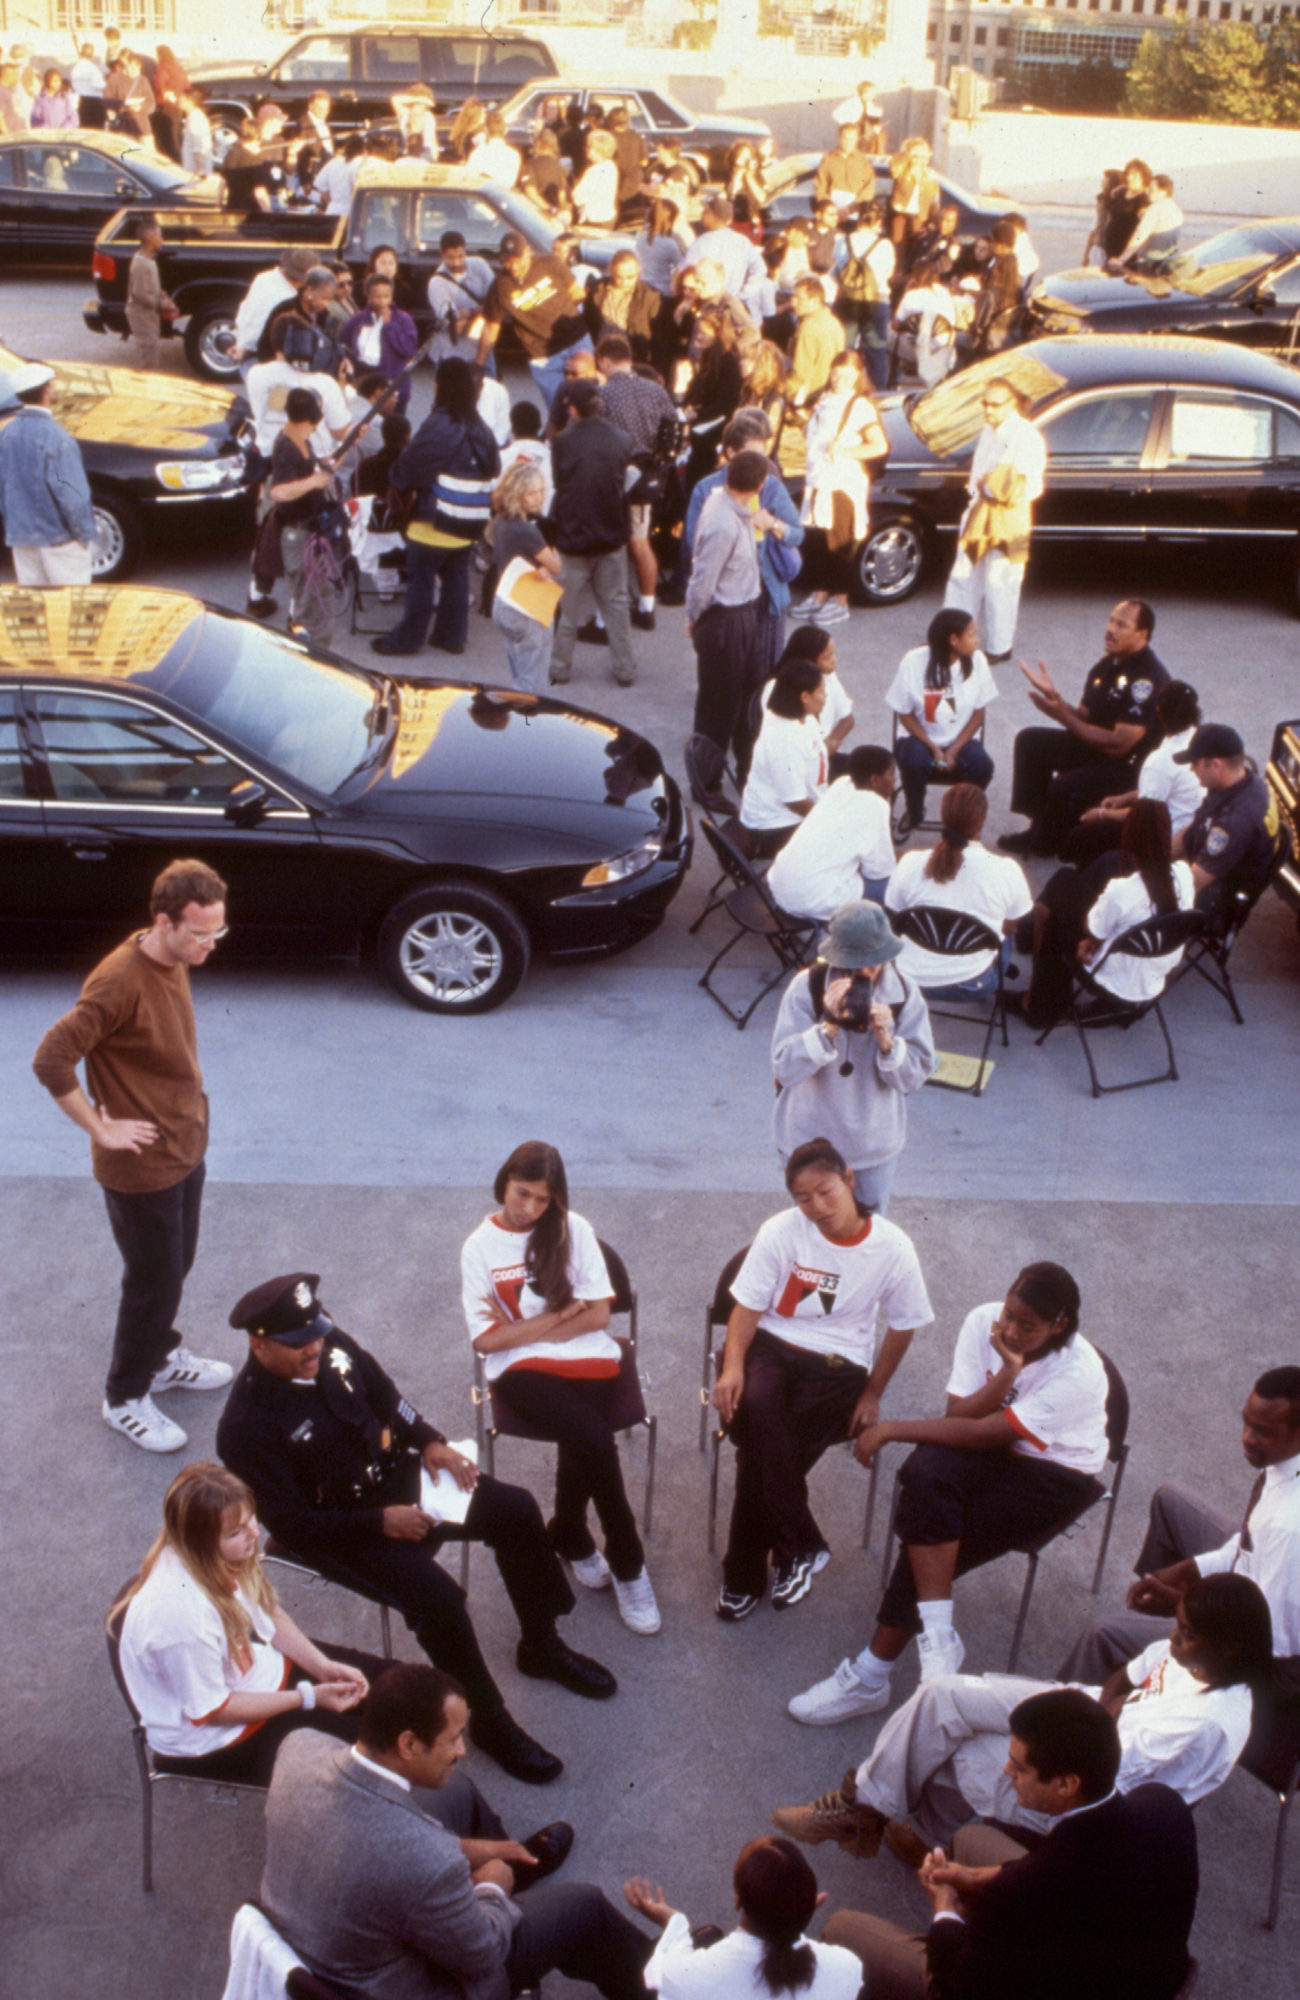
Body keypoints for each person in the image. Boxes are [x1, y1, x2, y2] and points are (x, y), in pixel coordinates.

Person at [216, 1272, 619, 1785]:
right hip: (342, 1531)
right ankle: (488, 1720)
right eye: (299, 1343)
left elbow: (384, 1393)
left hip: (394, 1478)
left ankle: (541, 1645)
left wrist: (429, 1440)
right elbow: (291, 1525)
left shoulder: (325, 1341)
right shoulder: (245, 1426)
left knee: (515, 1509)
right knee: (439, 1600)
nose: (316, 1346)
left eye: (316, 1333)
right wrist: (379, 1522)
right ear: (259, 1345)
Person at [787, 1262, 1108, 1720]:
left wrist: (892, 1429)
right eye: (1010, 1315)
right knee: (926, 1476)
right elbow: (959, 1416)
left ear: (1060, 1326)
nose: (1011, 1331)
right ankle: (936, 1646)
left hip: (1052, 1474)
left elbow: (983, 1435)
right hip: (998, 1446)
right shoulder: (984, 1322)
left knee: (929, 1533)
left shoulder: (1077, 1373)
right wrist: (1006, 1374)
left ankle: (871, 1674)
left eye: (1028, 1327)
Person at [775, 1572, 1268, 1857]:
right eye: (1177, 1626)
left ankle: (912, 1832)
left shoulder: (1208, 1724)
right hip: (1082, 1717)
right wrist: (1101, 1708)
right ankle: (866, 1810)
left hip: (1086, 1787)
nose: (1173, 1637)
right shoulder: (1193, 1653)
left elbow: (1107, 1773)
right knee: (943, 1697)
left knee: (961, 1749)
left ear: (1227, 1647)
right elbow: (1123, 1676)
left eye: (1186, 1633)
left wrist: (1092, 1719)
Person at [262, 1664, 656, 2000]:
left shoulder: (299, 1747)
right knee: (583, 1907)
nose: (463, 1749)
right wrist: (492, 1890)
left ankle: (513, 1865)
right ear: (409, 1744)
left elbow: (408, 1851)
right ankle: (668, 1985)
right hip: (406, 1987)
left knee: (455, 1788)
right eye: (453, 1739)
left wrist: (457, 1859)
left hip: (328, 1932)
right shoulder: (427, 1862)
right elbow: (481, 1954)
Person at [31, 858, 231, 1451]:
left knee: (175, 1268)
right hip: (141, 1167)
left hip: (182, 1146)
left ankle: (162, 1358)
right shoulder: (119, 979)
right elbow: (51, 1058)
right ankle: (123, 1397)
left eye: (218, 932)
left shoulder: (173, 956)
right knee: (152, 1282)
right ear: (163, 922)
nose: (210, 946)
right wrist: (100, 1127)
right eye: (199, 934)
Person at [821, 1689, 1198, 2000]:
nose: (1006, 1772)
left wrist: (945, 1909)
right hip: (1145, 1978)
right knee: (971, 1839)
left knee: (841, 1929)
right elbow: (1068, 1873)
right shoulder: (1163, 1804)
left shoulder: (1023, 1893)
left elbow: (961, 1985)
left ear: (1067, 1784)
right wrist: (985, 1878)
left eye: (1020, 1768)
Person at [711, 1136, 932, 1622]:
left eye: (827, 1192)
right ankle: (801, 1545)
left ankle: (744, 1573)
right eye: (803, 1198)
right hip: (772, 1344)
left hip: (838, 1360)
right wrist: (731, 1366)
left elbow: (905, 1323)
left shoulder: (893, 1248)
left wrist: (873, 1392)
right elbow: (747, 1306)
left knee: (760, 1448)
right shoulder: (781, 1231)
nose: (817, 1207)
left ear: (850, 1180)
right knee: (760, 1413)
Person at [462, 1141, 660, 1635]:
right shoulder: (478, 1247)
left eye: (541, 1199)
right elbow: (488, 1340)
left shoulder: (574, 1230)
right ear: (504, 1180)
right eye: (521, 1192)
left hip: (586, 1356)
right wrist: (559, 1315)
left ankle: (569, 1532)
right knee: (592, 1437)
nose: (528, 1207)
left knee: (584, 1434)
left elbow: (598, 1314)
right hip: (519, 1367)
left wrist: (538, 1325)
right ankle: (628, 1558)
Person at [113, 1462, 388, 1781]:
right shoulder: (181, 1619)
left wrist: (322, 1667)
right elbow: (213, 1711)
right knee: (381, 1753)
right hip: (216, 1738)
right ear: (200, 1542)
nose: (255, 1533)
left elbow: (265, 1608)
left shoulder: (216, 1557)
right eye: (236, 1532)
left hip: (255, 1679)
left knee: (405, 1693)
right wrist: (309, 1697)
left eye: (250, 1519)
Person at [1059, 1366, 1300, 1697]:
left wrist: (1185, 1607)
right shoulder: (1286, 1469)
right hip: (1254, 1569)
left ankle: (1059, 1729)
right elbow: (1249, 1541)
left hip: (1257, 1650)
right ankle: (1153, 1652)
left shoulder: (1289, 1530)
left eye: (1264, 1432)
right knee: (1170, 1502)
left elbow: (1263, 1642)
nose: (1247, 1438)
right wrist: (1189, 1570)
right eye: (1246, 1422)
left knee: (1104, 1632)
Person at [772, 900, 935, 1213]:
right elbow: (785, 1068)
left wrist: (887, 1040)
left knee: (868, 1234)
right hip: (810, 1143)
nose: (863, 971)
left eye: (872, 962)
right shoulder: (807, 987)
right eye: (852, 962)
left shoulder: (905, 994)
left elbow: (913, 1077)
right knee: (811, 1229)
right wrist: (828, 1026)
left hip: (871, 1147)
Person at [998, 599, 1170, 858]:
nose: (1111, 629)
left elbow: (1118, 744)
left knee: (1064, 785)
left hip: (1127, 768)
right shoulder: (1106, 666)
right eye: (1111, 620)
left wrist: (1064, 717)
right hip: (1097, 748)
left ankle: (1046, 842)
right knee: (1030, 742)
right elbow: (1084, 717)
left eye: (1121, 625)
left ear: (1142, 634)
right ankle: (1040, 823)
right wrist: (1057, 701)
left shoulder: (1146, 680)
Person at [372, 355, 500, 660]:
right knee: (456, 575)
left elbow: (408, 468)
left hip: (434, 518)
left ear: (441, 385)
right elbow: (493, 466)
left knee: (421, 578)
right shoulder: (480, 427)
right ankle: (452, 637)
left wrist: (396, 480)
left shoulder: (440, 422)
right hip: (470, 520)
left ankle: (407, 640)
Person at [625, 1836, 863, 1999]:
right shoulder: (846, 1967)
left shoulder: (685, 1975)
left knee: (708, 1936)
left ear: (738, 1900)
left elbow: (658, 1971)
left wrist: (674, 1921)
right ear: (812, 1904)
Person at [886, 786, 1031, 999]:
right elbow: (1009, 928)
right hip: (973, 984)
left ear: (943, 818)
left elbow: (896, 916)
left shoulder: (910, 862)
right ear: (981, 823)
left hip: (908, 977)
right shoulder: (1006, 869)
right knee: (1005, 933)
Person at [943, 377, 1046, 665]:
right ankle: (951, 634)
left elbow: (1026, 486)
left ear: (1013, 403)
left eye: (994, 404)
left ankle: (1000, 647)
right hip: (979, 511)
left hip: (1009, 516)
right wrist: (984, 489)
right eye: (984, 403)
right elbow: (979, 478)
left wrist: (994, 486)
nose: (987, 410)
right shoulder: (989, 430)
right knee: (963, 574)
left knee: (1001, 582)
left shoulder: (1026, 437)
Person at [549, 377, 638, 688]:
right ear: (599, 405)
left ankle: (559, 669)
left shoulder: (561, 442)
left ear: (571, 408)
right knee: (616, 604)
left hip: (573, 536)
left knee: (567, 611)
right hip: (611, 534)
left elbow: (560, 485)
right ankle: (624, 669)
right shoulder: (622, 439)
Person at [1061, 678, 1203, 867]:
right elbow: (1168, 786)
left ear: (1159, 712)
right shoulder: (1198, 738)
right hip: (1188, 826)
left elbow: (1144, 817)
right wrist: (1126, 797)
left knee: (1082, 835)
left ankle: (1091, 874)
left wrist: (1102, 814)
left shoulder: (1160, 760)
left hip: (1165, 838)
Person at [686, 447, 766, 774]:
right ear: (760, 485)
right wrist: (694, 618)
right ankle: (706, 783)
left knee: (748, 703)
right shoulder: (722, 522)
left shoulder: (730, 502)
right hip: (724, 621)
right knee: (718, 709)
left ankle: (748, 772)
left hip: (743, 614)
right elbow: (702, 580)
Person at [795, 350, 885, 626]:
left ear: (858, 375)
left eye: (847, 375)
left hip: (842, 484)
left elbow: (879, 445)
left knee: (840, 543)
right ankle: (820, 594)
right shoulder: (823, 400)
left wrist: (845, 449)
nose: (839, 380)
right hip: (818, 481)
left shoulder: (860, 406)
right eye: (836, 374)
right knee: (819, 542)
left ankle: (841, 601)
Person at [887, 608, 998, 831]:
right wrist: (934, 748)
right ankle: (916, 811)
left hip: (961, 740)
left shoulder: (977, 661)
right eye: (972, 634)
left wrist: (954, 750)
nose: (978, 640)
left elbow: (978, 714)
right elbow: (904, 714)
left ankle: (961, 820)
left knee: (982, 766)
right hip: (918, 737)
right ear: (954, 640)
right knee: (914, 762)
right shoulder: (913, 661)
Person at [594, 333, 677, 626]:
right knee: (640, 543)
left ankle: (604, 620)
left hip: (612, 478)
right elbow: (674, 427)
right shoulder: (655, 391)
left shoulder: (602, 395)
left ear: (604, 360)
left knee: (609, 548)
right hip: (646, 478)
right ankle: (646, 607)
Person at [770, 745, 897, 920]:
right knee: (897, 884)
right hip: (813, 900)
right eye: (891, 774)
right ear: (875, 780)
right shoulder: (877, 805)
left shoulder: (842, 783)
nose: (894, 779)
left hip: (780, 886)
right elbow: (878, 871)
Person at [0, 359, 97, 584]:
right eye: (52, 385)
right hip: (59, 542)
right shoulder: (58, 439)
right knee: (70, 611)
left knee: (39, 613)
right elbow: (75, 498)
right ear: (45, 391)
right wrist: (84, 536)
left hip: (22, 540)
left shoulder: (5, 436)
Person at [250, 384, 334, 638]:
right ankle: (314, 655)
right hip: (297, 535)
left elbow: (311, 471)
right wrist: (313, 482)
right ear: (306, 420)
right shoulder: (287, 447)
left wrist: (325, 466)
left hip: (308, 528)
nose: (314, 429)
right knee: (311, 603)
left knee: (313, 596)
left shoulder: (298, 437)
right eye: (313, 424)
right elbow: (279, 491)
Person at [477, 232, 591, 411]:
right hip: (543, 355)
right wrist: (478, 364)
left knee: (589, 402)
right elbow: (491, 327)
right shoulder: (500, 286)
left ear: (528, 251)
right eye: (507, 261)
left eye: (517, 259)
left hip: (576, 342)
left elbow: (577, 293)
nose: (513, 266)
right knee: (559, 409)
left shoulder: (550, 263)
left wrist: (557, 310)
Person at [1173, 721, 1280, 906]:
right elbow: (1196, 826)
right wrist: (1156, 857)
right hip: (1208, 867)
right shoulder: (1242, 780)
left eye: (1195, 763)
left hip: (1213, 899)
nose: (1191, 768)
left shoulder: (1234, 823)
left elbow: (1191, 885)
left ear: (1216, 765)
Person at [741, 659, 829, 859]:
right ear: (805, 696)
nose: (826, 697)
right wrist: (828, 818)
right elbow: (794, 800)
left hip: (793, 809)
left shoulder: (797, 715)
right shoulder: (784, 742)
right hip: (776, 826)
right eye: (822, 691)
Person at [489, 462, 561, 695]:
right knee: (532, 685)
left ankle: (518, 721)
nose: (538, 497)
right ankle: (528, 727)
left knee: (518, 673)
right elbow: (556, 565)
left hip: (504, 605)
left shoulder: (500, 521)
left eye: (540, 490)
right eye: (531, 492)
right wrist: (552, 548)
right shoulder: (527, 531)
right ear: (517, 494)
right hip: (528, 609)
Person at [839, 199, 895, 391]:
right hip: (876, 301)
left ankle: (844, 392)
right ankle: (877, 397)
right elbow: (888, 274)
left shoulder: (843, 241)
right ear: (879, 221)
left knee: (845, 351)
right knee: (877, 354)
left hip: (848, 301)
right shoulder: (885, 245)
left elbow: (837, 271)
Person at [340, 273, 418, 411]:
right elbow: (344, 346)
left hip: (394, 387)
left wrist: (389, 327)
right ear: (368, 297)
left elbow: (409, 349)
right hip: (366, 388)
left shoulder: (403, 319)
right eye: (377, 297)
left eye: (386, 296)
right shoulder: (358, 320)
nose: (382, 301)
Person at [678, 194, 767, 311]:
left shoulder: (701, 242)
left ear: (714, 216)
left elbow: (687, 274)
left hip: (708, 305)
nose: (702, 214)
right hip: (732, 304)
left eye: (706, 211)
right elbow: (761, 269)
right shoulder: (742, 241)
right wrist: (743, 295)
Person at [426, 230, 496, 368]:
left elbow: (496, 296)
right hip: (450, 352)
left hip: (482, 346)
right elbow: (451, 319)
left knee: (490, 386)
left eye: (460, 256)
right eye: (450, 257)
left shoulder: (479, 264)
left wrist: (468, 314)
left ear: (465, 251)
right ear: (441, 254)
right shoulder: (436, 283)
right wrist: (477, 311)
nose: (456, 262)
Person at [585, 251, 663, 369]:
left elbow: (658, 338)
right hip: (601, 357)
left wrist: (658, 368)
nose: (624, 282)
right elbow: (588, 324)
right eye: (619, 277)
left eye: (630, 277)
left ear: (638, 272)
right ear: (611, 271)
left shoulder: (650, 296)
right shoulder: (597, 290)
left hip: (633, 359)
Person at [786, 278, 848, 413]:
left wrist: (784, 391)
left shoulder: (807, 328)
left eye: (798, 298)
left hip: (809, 398)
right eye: (792, 297)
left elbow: (800, 372)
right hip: (830, 393)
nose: (793, 302)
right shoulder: (833, 322)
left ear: (814, 301)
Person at [124, 215, 176, 370]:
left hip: (149, 315)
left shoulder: (149, 260)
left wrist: (163, 296)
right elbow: (141, 294)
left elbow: (152, 288)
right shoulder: (141, 264)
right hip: (142, 315)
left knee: (151, 350)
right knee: (148, 358)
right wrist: (162, 304)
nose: (162, 240)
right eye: (159, 236)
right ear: (149, 238)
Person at [816, 123, 875, 212]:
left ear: (857, 139)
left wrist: (850, 209)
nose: (848, 143)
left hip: (856, 213)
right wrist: (830, 210)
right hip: (831, 215)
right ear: (839, 137)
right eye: (845, 138)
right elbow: (820, 187)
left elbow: (868, 189)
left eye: (852, 139)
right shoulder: (827, 159)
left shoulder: (863, 161)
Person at [571, 127, 620, 229]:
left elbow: (578, 198)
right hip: (608, 217)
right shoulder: (611, 166)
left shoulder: (594, 171)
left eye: (589, 147)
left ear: (598, 149)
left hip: (594, 220)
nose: (586, 149)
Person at [312, 131, 364, 217]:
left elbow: (320, 185)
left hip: (333, 211)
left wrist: (332, 202)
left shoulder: (334, 162)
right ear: (363, 149)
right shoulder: (360, 165)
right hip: (351, 214)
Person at [178, 83, 212, 176]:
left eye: (182, 98)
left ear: (190, 100)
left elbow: (198, 150)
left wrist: (199, 172)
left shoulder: (196, 120)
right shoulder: (193, 117)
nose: (179, 100)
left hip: (195, 173)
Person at [70, 42, 106, 128]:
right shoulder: (92, 68)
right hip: (93, 103)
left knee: (84, 129)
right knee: (96, 130)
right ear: (92, 54)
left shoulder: (75, 68)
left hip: (81, 102)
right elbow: (99, 85)